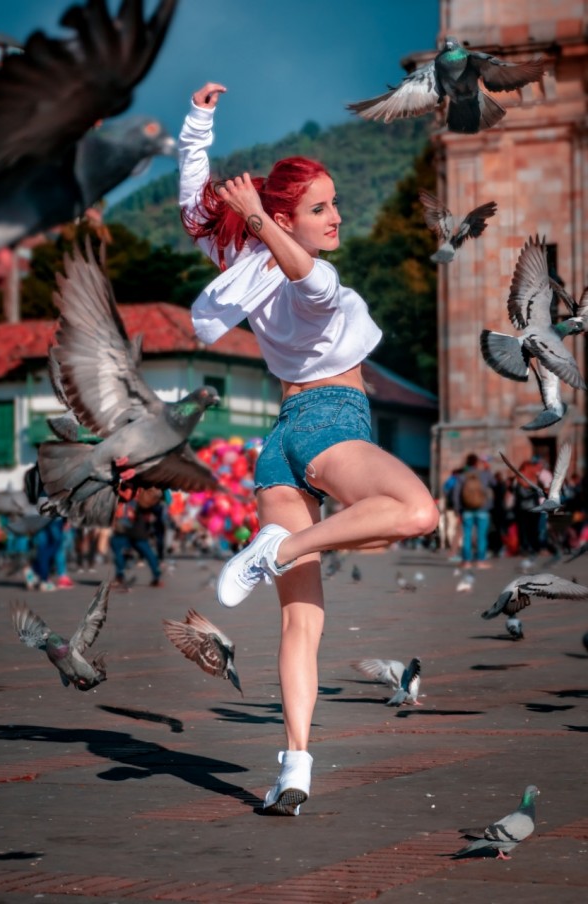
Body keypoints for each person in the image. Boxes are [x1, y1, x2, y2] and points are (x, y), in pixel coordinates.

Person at [179, 83, 439, 816]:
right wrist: (260, 217)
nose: (337, 216)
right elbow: (314, 280)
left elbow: (194, 205)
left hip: (280, 444)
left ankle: (294, 768)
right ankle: (275, 552)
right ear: (286, 218)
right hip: (327, 421)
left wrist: (199, 122)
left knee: (302, 626)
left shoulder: (248, 276)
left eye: (333, 204)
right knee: (416, 510)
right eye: (321, 207)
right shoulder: (294, 280)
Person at [451, 453, 495, 569]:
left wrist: (457, 509)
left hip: (467, 509)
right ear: (477, 463)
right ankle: (481, 561)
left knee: (467, 535)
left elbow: (456, 494)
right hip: (483, 509)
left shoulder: (462, 476)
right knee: (481, 535)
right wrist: (487, 468)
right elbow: (494, 483)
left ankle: (466, 561)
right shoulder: (484, 475)